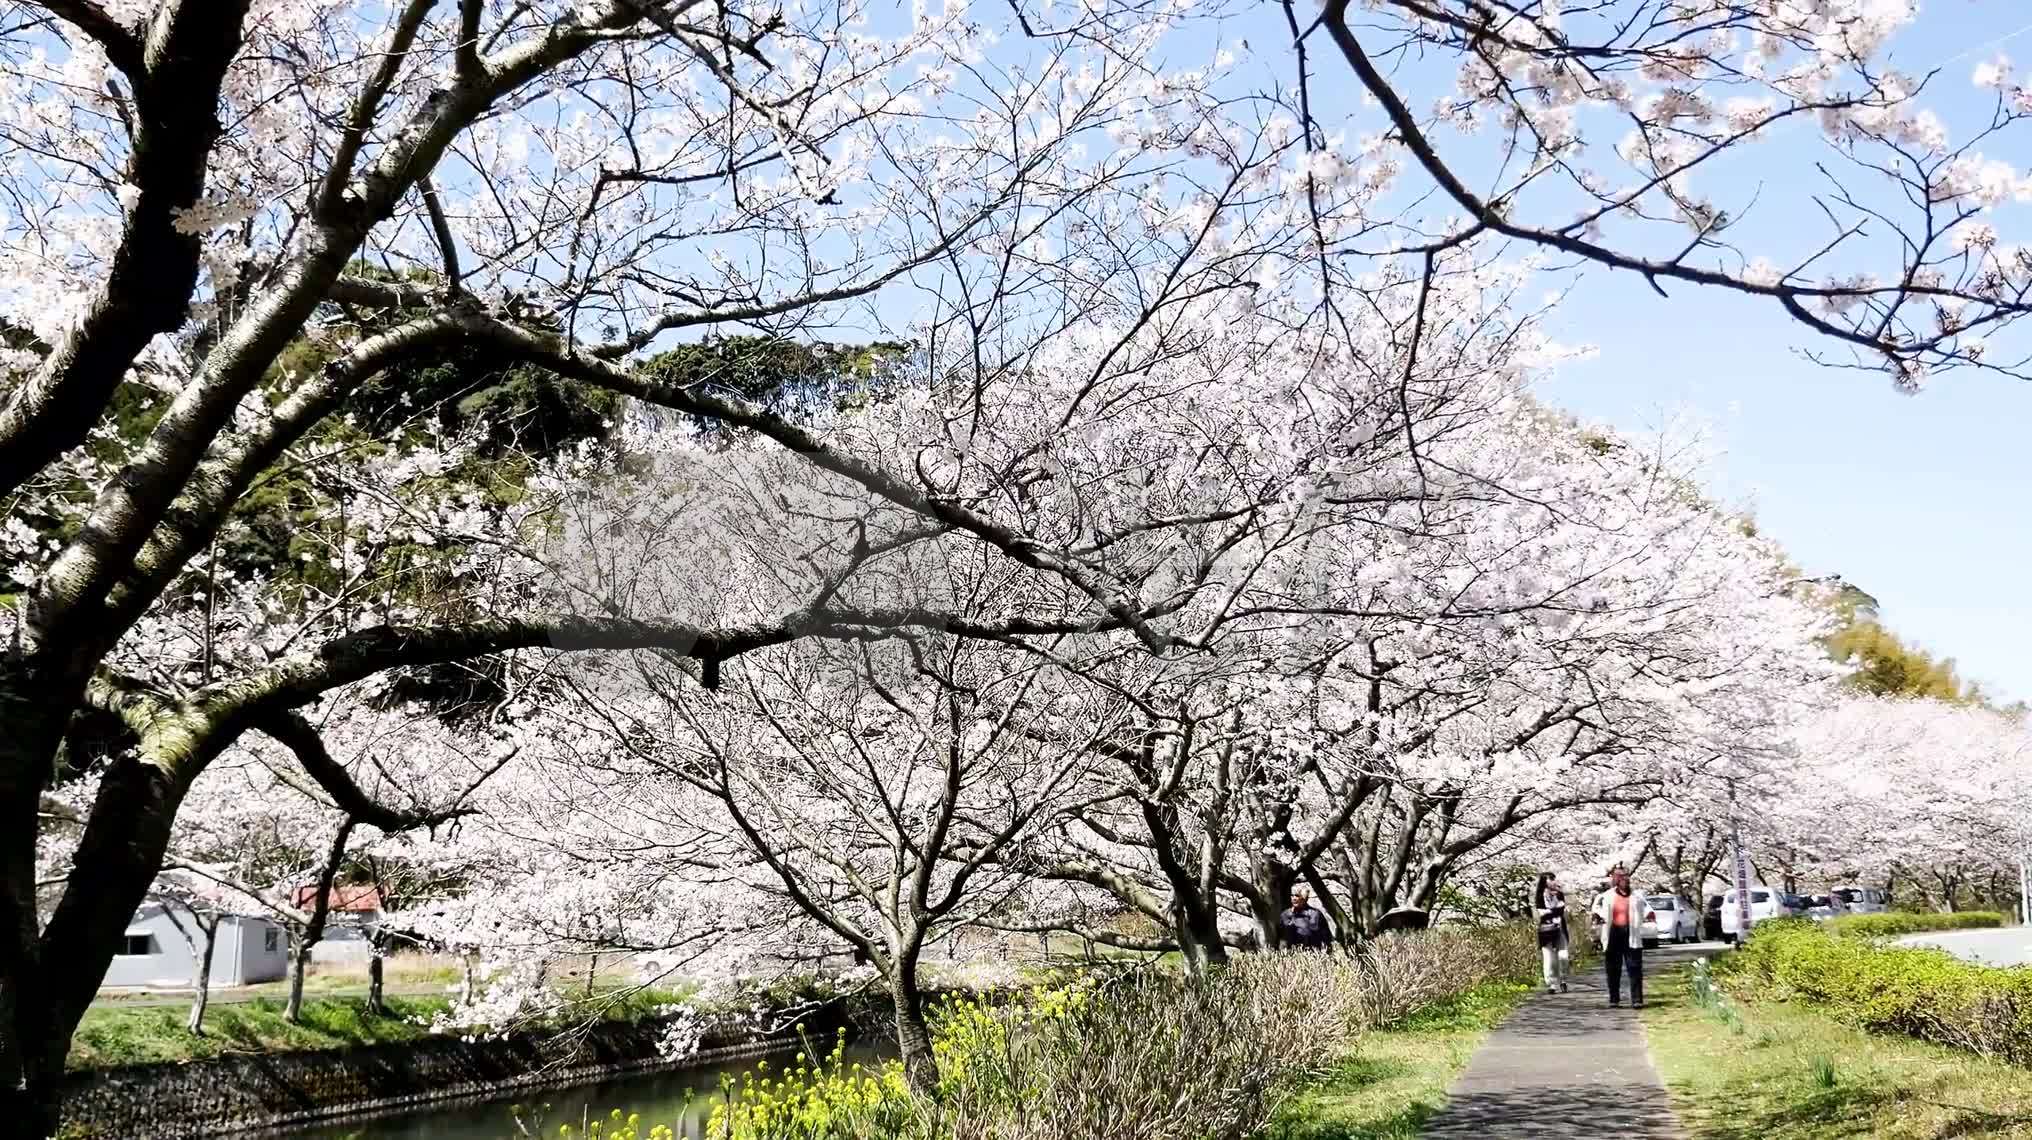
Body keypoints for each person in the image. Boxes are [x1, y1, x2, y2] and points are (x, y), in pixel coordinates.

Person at [1590, 868, 1646, 1008]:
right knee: (1613, 969)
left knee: (1634, 968)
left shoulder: (1636, 897)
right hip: (1613, 932)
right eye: (1621, 879)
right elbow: (1595, 908)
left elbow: (1643, 912)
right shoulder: (1607, 896)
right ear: (1616, 881)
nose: (1624, 882)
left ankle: (1637, 999)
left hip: (1631, 933)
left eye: (1626, 879)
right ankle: (1614, 999)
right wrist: (1600, 915)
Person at [1533, 871, 1570, 994]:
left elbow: (1560, 911)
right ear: (1544, 881)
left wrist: (1551, 911)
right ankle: (1551, 984)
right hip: (1546, 931)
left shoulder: (1559, 894)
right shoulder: (1539, 896)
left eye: (1554, 879)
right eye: (1550, 879)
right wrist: (1555, 910)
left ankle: (1563, 979)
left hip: (1560, 929)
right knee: (1549, 958)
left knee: (1563, 956)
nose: (1553, 882)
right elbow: (1542, 914)